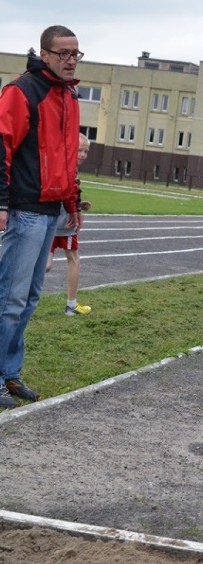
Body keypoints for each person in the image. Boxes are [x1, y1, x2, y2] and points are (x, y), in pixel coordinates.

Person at [0, 25, 82, 408]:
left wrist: (72, 200)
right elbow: (2, 147)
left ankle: (9, 374)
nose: (70, 60)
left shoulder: (68, 95)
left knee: (29, 299)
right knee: (10, 299)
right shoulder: (21, 91)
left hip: (51, 211)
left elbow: (66, 155)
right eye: (63, 53)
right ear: (45, 55)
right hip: (26, 209)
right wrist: (2, 203)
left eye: (75, 54)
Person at [46, 133, 92, 316]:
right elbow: (69, 194)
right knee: (74, 259)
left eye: (86, 151)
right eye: (79, 150)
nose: (82, 154)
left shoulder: (59, 163)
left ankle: (15, 297)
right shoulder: (70, 167)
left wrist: (79, 205)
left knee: (46, 264)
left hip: (50, 218)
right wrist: (76, 211)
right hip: (65, 222)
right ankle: (71, 305)